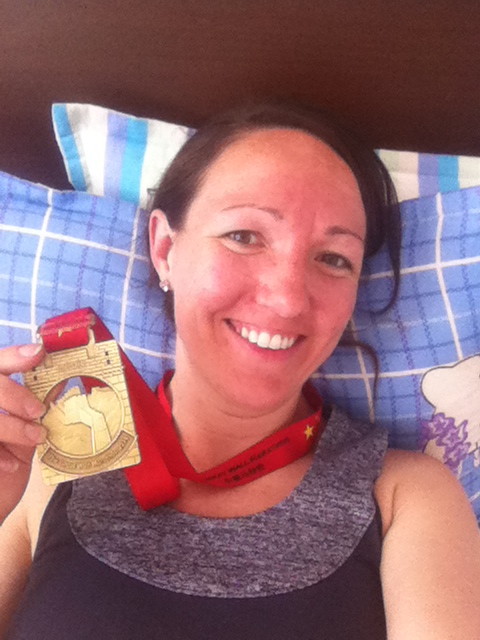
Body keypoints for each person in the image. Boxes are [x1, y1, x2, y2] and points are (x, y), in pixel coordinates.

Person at [0, 102, 479, 639]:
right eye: (244, 236)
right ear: (165, 249)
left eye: (334, 258)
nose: (288, 298)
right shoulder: (49, 465)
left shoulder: (404, 497)